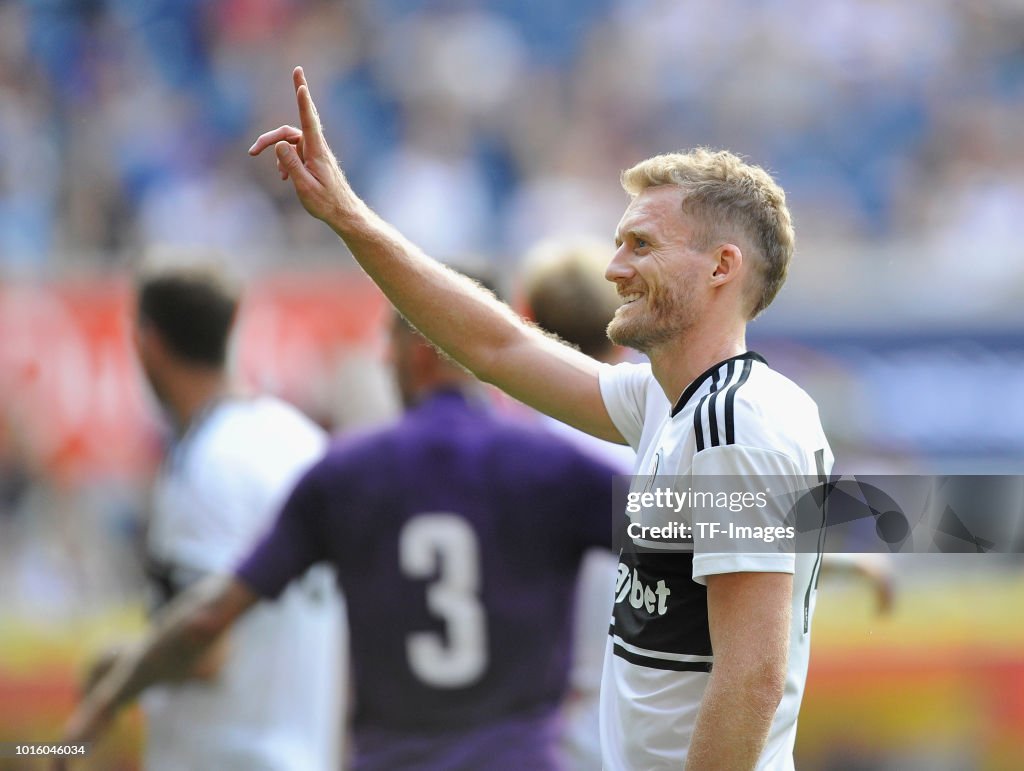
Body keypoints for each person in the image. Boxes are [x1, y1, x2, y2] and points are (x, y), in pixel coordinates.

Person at [247, 66, 834, 769]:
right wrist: (349, 216)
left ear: (721, 267)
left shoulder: (734, 424)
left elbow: (753, 677)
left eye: (641, 244)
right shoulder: (670, 405)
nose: (614, 267)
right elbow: (497, 344)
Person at [61, 306, 622, 770]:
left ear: (422, 351)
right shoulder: (553, 466)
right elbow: (688, 527)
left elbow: (209, 617)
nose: (383, 358)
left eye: (390, 343)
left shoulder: (346, 472)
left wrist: (105, 702)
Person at [63, 263, 345, 771]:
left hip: (226, 755)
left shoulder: (208, 462)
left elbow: (207, 646)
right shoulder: (301, 440)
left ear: (147, 342)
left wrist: (109, 672)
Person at [519, 237, 634, 770]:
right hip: (644, 716)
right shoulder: (659, 441)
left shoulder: (522, 454)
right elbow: (745, 532)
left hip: (551, 726)